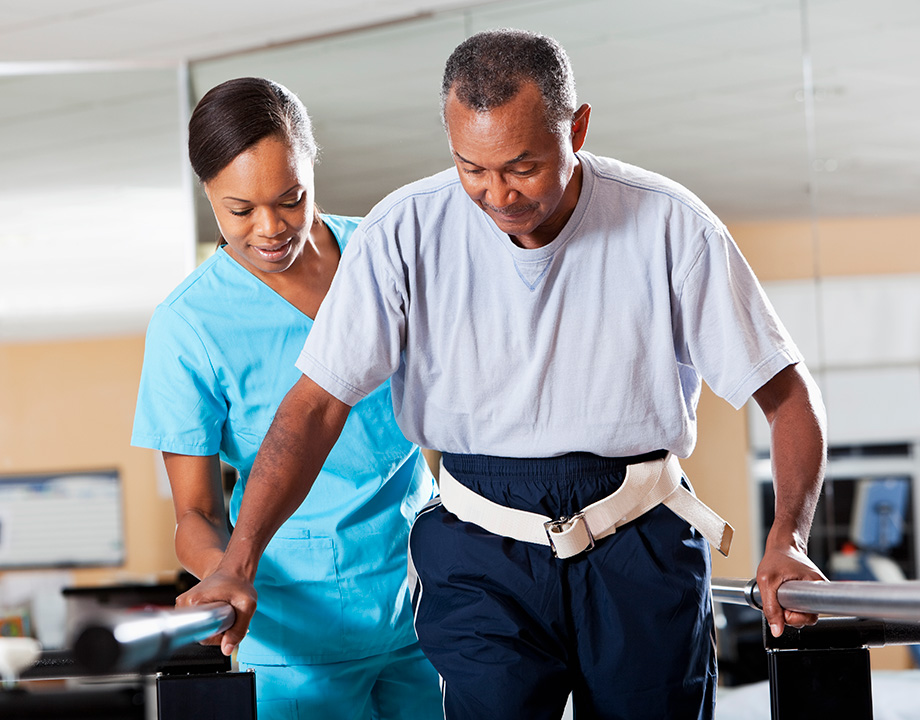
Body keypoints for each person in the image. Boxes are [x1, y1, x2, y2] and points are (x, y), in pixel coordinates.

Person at [179, 31, 828, 719]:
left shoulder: (670, 225)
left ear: (576, 128)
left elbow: (788, 397)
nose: (497, 194)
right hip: (478, 550)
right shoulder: (403, 231)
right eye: (472, 168)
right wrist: (238, 559)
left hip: (639, 535)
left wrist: (787, 538)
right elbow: (313, 407)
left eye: (522, 165)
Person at [131, 77, 442, 720]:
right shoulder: (188, 324)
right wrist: (225, 571)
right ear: (208, 195)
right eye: (239, 210)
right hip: (293, 634)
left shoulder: (381, 255)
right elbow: (193, 515)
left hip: (427, 608)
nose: (270, 229)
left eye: (291, 199)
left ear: (311, 167)